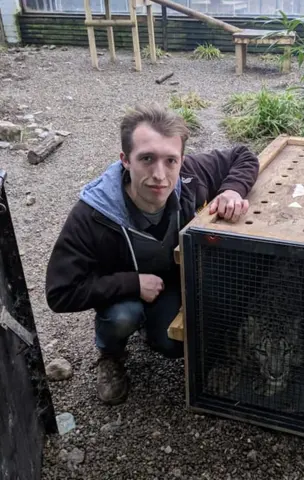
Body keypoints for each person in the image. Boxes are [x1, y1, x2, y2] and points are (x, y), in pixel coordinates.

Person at [45, 103, 259, 405]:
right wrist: (131, 284)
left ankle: (154, 328)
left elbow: (243, 155)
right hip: (125, 291)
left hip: (170, 283)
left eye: (170, 160)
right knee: (123, 316)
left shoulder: (191, 175)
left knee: (173, 345)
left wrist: (233, 190)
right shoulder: (91, 215)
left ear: (181, 160)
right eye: (147, 159)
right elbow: (60, 292)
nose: (160, 175)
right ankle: (110, 354)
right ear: (125, 160)